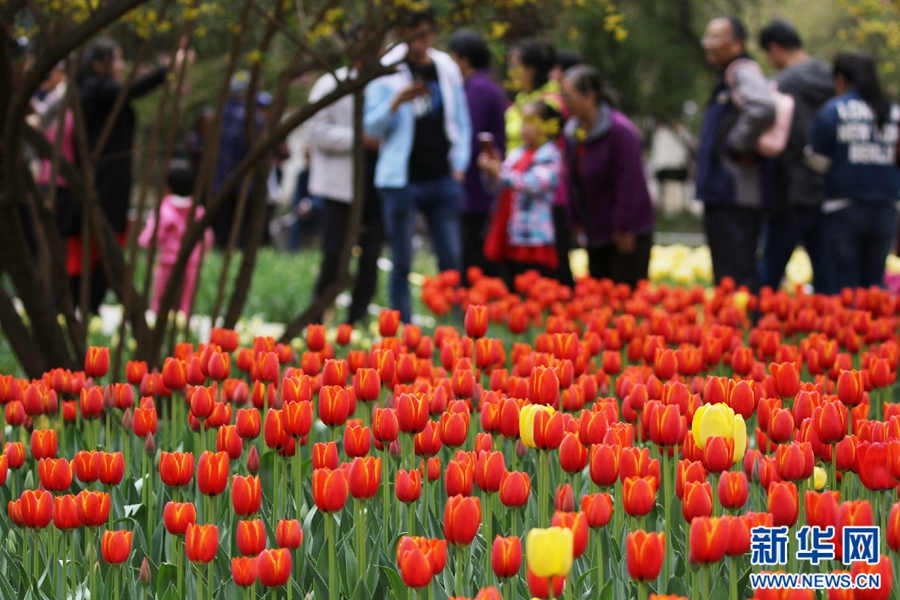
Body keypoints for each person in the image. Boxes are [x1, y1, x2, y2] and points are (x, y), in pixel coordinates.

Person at [364, 8, 471, 324]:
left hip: (442, 177)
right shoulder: (387, 69)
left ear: (434, 34)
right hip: (401, 181)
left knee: (451, 258)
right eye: (413, 33)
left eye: (426, 33)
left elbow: (461, 120)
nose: (420, 40)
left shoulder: (446, 68)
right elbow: (371, 127)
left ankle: (457, 329)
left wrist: (459, 165)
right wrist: (396, 102)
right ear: (400, 33)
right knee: (402, 259)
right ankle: (403, 329)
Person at [78, 37, 171, 312]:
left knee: (110, 240)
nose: (121, 65)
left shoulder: (98, 88)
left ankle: (89, 302)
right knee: (105, 241)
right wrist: (166, 69)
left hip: (111, 177)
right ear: (98, 64)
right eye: (116, 59)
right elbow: (133, 89)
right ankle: (85, 303)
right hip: (103, 179)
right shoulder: (94, 89)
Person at [695, 16, 776, 293]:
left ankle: (742, 330)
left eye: (717, 37)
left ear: (738, 42)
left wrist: (735, 146)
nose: (709, 44)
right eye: (708, 37)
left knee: (736, 271)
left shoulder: (741, 70)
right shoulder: (726, 76)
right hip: (722, 191)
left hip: (733, 191)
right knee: (728, 271)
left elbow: (763, 107)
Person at [807, 52, 900, 293]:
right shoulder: (893, 112)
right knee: (874, 286)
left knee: (844, 285)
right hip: (886, 209)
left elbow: (817, 162)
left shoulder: (834, 111)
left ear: (840, 79)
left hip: (842, 209)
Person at [757, 20, 833, 292]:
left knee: (769, 274)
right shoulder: (834, 77)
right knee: (827, 277)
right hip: (829, 190)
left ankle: (760, 329)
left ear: (774, 49)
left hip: (788, 190)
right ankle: (828, 333)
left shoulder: (780, 84)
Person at [561, 65, 655, 286]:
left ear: (590, 95)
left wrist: (623, 226)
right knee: (599, 297)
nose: (564, 101)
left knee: (625, 296)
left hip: (626, 231)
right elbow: (572, 179)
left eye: (568, 95)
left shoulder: (620, 131)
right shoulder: (574, 132)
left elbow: (629, 182)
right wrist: (576, 219)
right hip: (596, 228)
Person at [307, 64, 384, 324]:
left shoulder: (388, 82)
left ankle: (355, 323)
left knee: (371, 259)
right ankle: (317, 321)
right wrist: (359, 139)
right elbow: (315, 131)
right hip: (340, 189)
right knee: (333, 255)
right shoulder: (331, 84)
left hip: (379, 187)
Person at [506, 40, 574, 286]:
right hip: (518, 196)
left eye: (516, 67)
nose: (511, 73)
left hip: (547, 199)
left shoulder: (551, 101)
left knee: (550, 274)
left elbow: (554, 150)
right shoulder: (522, 99)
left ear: (532, 68)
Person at [479, 101, 563, 283]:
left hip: (532, 237)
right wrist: (490, 171)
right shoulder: (517, 153)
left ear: (547, 125)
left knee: (531, 285)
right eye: (523, 120)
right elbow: (497, 187)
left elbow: (533, 183)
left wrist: (499, 172)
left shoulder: (550, 154)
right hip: (509, 231)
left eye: (530, 120)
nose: (524, 126)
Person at [449, 28, 507, 280]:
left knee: (475, 257)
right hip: (478, 187)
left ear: (463, 59)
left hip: (477, 188)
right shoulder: (485, 86)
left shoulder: (478, 89)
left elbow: (468, 137)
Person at [139, 160, 213, 314]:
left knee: (161, 300)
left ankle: (159, 328)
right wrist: (202, 254)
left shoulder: (163, 210)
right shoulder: (198, 211)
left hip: (167, 262)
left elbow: (152, 236)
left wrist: (144, 241)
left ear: (167, 187)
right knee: (185, 301)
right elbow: (206, 237)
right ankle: (182, 327)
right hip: (191, 262)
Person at [212, 70, 263, 249]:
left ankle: (220, 249)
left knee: (222, 223)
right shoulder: (253, 117)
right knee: (240, 224)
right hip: (244, 181)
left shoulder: (220, 113)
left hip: (220, 179)